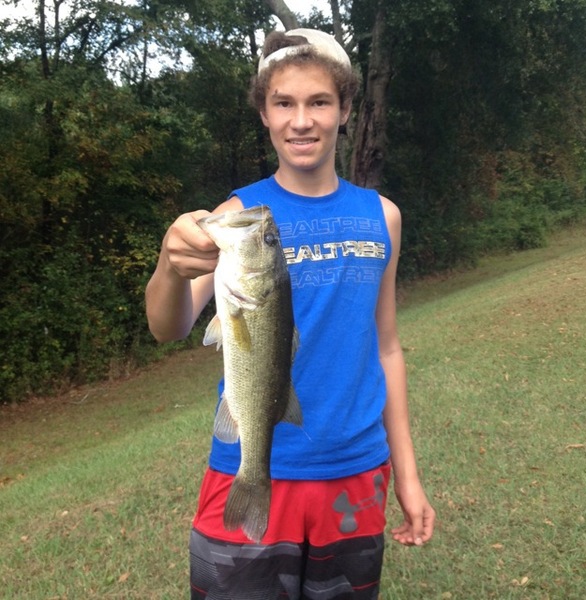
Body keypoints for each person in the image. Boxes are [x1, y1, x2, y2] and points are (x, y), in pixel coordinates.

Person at [145, 28, 435, 600]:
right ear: (264, 113)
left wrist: (407, 474)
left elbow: (386, 347)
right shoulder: (236, 217)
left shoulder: (383, 217)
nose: (301, 121)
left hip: (356, 470)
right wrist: (169, 267)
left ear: (345, 109)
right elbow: (168, 327)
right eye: (284, 103)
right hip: (247, 462)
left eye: (319, 101)